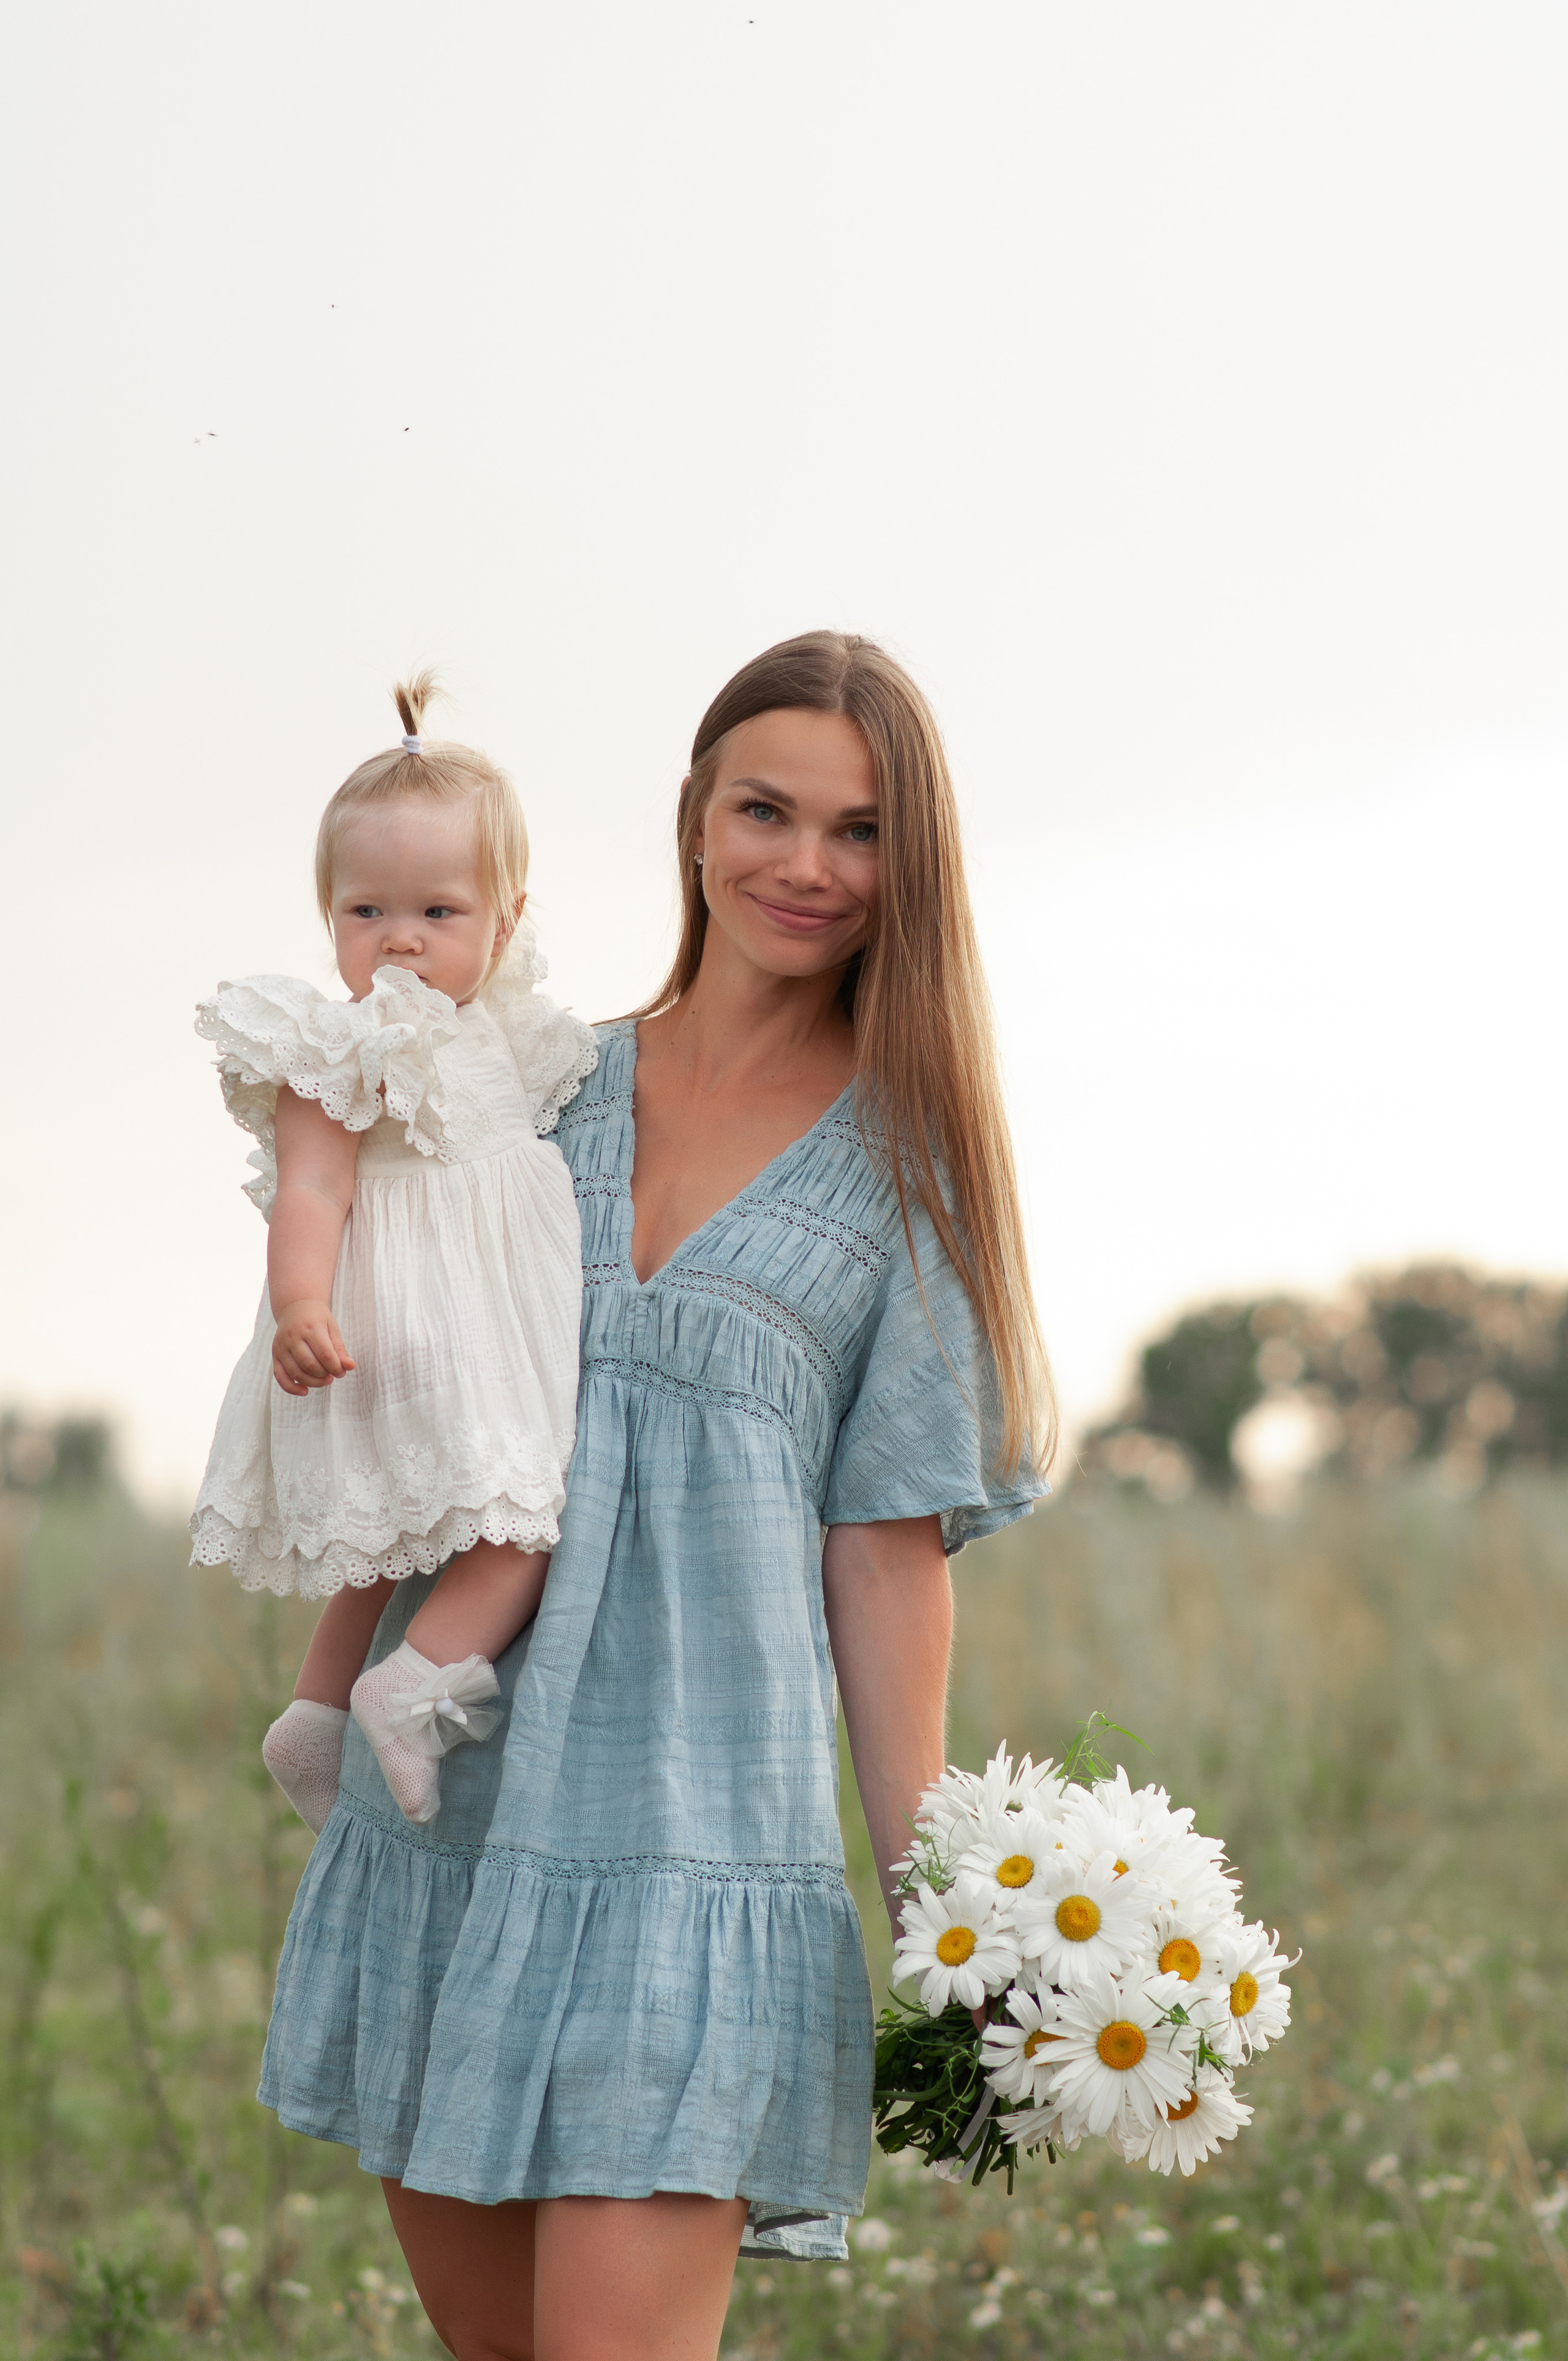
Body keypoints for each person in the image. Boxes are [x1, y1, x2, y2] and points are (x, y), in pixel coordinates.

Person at [257, 631, 1054, 2361]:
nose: (806, 865)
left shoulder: (913, 1176)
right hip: (452, 1809)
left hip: (693, 1848)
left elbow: (888, 1550)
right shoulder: (530, 1083)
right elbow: (375, 1348)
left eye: (860, 830)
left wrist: (935, 1876)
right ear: (695, 818)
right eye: (766, 809)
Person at [190, 676, 597, 1826]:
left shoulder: (510, 1035)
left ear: (505, 922)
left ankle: (312, 1720)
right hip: (401, 1328)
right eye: (368, 912)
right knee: (524, 1525)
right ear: (331, 921)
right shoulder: (340, 1042)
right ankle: (411, 1686)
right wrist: (300, 1300)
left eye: (439, 912)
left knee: (384, 1535)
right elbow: (312, 1184)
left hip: (476, 1319)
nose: (402, 939)